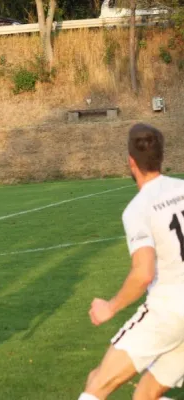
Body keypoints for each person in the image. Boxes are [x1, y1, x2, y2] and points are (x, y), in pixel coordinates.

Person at [78, 123, 184, 400]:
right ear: (161, 156)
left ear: (131, 161)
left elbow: (144, 272)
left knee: (97, 384)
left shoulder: (138, 208)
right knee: (145, 395)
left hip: (169, 313)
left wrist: (110, 307)